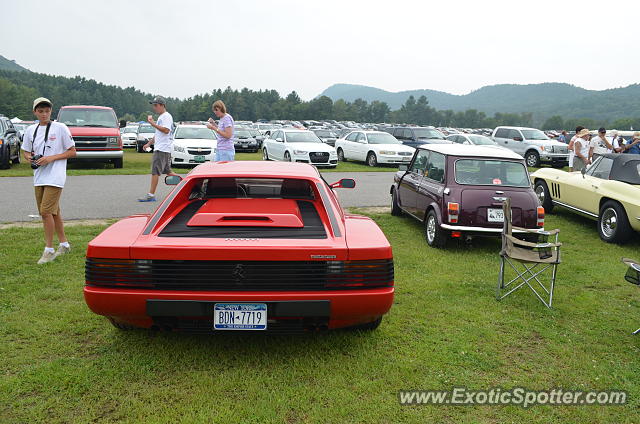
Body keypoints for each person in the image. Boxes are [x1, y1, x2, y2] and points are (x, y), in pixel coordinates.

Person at [21, 97, 77, 264]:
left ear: (51, 111)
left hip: (56, 176)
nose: (44, 114)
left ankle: (49, 250)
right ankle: (65, 244)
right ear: (35, 112)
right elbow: (25, 151)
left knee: (45, 212)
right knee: (54, 212)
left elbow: (73, 151)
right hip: (39, 176)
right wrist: (30, 157)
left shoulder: (60, 128)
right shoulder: (31, 130)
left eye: (47, 111)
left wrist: (51, 158)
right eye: (40, 111)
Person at [138, 96, 179, 202]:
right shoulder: (162, 117)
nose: (154, 107)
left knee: (155, 172)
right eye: (153, 105)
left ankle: (151, 195)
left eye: (156, 105)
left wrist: (152, 123)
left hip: (162, 149)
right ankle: (188, 184)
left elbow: (166, 130)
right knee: (168, 172)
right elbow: (159, 134)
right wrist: (149, 143)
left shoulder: (166, 116)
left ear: (162, 105)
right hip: (163, 149)